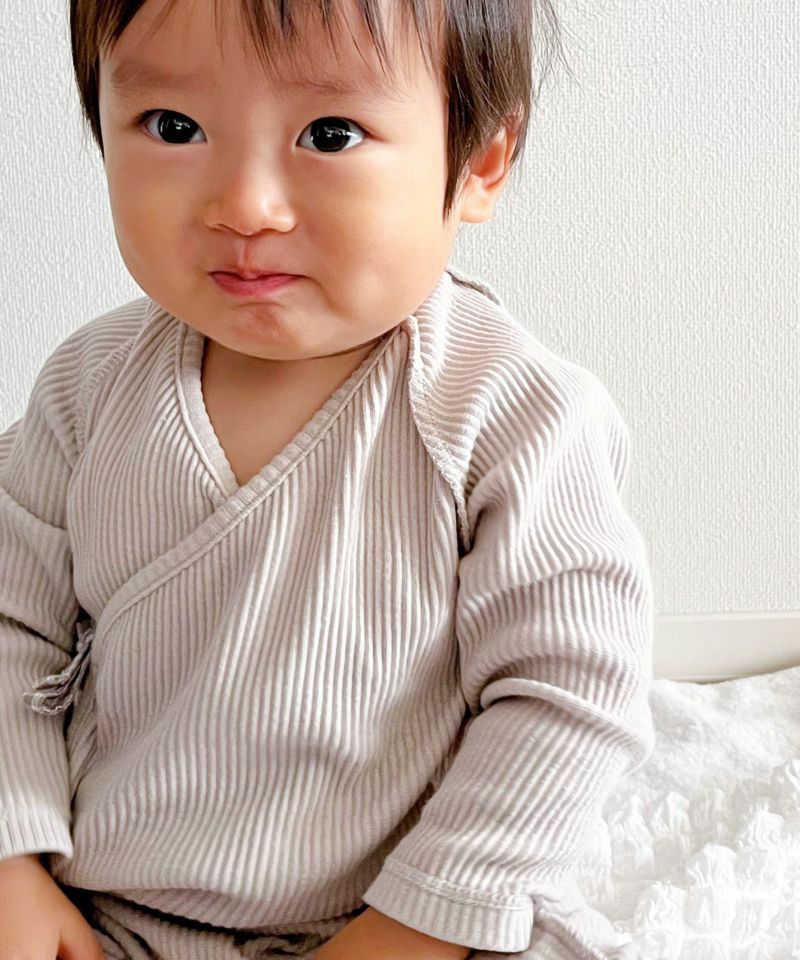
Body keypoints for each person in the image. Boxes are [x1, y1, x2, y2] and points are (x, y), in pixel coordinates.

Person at [0, 0, 655, 957]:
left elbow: (569, 696)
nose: (245, 206)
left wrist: (420, 923)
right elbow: (12, 624)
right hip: (106, 905)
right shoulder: (87, 390)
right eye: (174, 127)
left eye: (331, 134)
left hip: (413, 914)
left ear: (479, 163)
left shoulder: (514, 417)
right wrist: (14, 859)